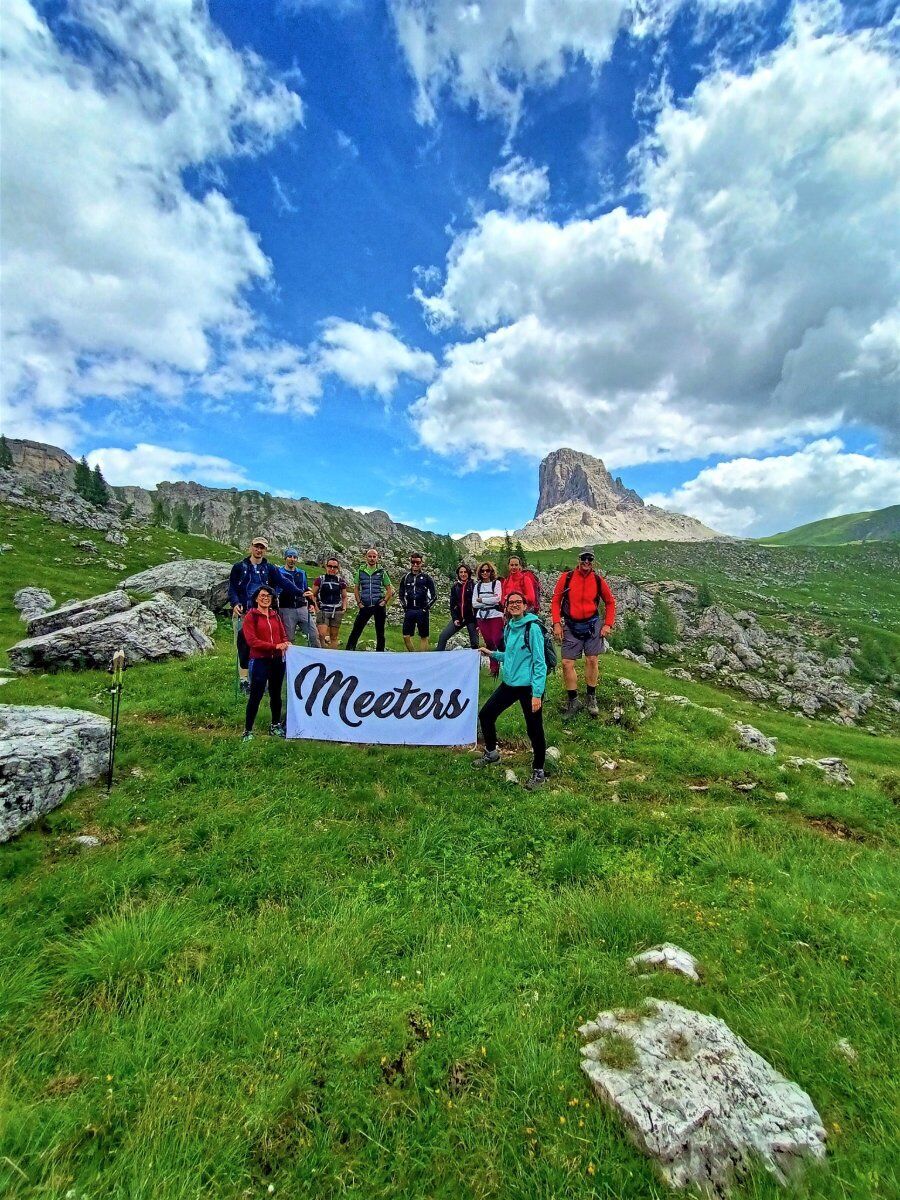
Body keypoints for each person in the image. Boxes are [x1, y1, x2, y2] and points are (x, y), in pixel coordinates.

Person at [475, 591, 547, 790]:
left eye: (518, 602)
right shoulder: (509, 627)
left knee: (534, 729)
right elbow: (511, 655)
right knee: (486, 714)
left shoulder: (532, 628)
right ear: (506, 607)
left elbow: (540, 663)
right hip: (510, 684)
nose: (514, 605)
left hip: (528, 687)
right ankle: (492, 753)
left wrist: (537, 694)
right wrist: (492, 654)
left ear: (525, 606)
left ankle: (539, 771)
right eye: (511, 602)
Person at [551, 546, 617, 718]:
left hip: (593, 624)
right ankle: (573, 700)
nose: (586, 562)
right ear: (578, 560)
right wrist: (557, 623)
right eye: (583, 558)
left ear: (593, 561)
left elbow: (610, 602)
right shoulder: (567, 578)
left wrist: (608, 624)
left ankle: (591, 697)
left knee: (592, 660)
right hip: (571, 625)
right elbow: (556, 600)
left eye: (590, 559)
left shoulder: (598, 580)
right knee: (566, 663)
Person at [228, 537, 280, 694]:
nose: (259, 550)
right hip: (244, 613)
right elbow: (232, 588)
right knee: (243, 647)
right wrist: (235, 603)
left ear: (265, 550)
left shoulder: (270, 568)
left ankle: (259, 680)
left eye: (262, 548)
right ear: (251, 547)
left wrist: (273, 600)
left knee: (262, 646)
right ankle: (244, 681)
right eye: (256, 547)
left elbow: (277, 586)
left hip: (262, 614)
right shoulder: (239, 567)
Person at [240, 583, 290, 741]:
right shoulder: (251, 616)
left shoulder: (275, 615)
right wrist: (275, 646)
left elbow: (283, 635)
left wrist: (285, 644)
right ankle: (248, 730)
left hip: (277, 661)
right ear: (256, 598)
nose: (265, 599)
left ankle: (275, 725)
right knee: (256, 695)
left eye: (268, 596)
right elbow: (252, 641)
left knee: (276, 695)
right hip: (260, 660)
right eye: (262, 596)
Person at [346, 548, 394, 651]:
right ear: (366, 557)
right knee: (356, 630)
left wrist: (384, 601)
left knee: (380, 632)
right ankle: (349, 651)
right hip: (365, 605)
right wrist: (359, 603)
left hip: (379, 605)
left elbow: (389, 589)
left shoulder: (382, 572)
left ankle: (379, 654)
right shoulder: (361, 571)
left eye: (374, 556)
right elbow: (356, 588)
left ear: (377, 558)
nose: (372, 558)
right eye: (370, 556)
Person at [277, 547, 320, 648]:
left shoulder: (301, 573)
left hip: (302, 607)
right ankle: (289, 662)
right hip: (286, 609)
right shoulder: (279, 572)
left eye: (295, 557)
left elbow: (305, 589)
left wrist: (311, 603)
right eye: (290, 556)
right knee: (289, 639)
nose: (292, 559)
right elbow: (275, 590)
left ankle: (317, 658)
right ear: (285, 558)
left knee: (314, 635)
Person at [398, 552, 438, 651]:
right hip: (410, 609)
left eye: (418, 562)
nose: (415, 565)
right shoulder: (406, 577)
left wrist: (426, 608)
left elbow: (434, 596)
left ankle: (422, 659)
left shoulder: (426, 577)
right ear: (410, 562)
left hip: (422, 609)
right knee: (406, 636)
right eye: (413, 562)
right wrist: (405, 607)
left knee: (423, 636)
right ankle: (413, 655)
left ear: (421, 563)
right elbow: (401, 594)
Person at [436, 563, 479, 652]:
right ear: (458, 574)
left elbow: (477, 605)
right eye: (461, 572)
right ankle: (437, 659)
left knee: (475, 643)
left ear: (469, 573)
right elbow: (452, 605)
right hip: (459, 617)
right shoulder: (455, 587)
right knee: (443, 636)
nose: (463, 574)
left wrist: (477, 621)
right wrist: (455, 618)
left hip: (471, 618)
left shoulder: (474, 586)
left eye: (465, 572)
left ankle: (475, 664)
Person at [473, 560, 504, 676]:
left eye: (487, 570)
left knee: (497, 640)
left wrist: (482, 600)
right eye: (482, 571)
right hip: (481, 617)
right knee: (489, 642)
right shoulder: (477, 586)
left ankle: (503, 664)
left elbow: (497, 599)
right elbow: (474, 604)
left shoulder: (496, 584)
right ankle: (494, 669)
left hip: (495, 616)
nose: (485, 573)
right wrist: (489, 601)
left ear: (491, 572)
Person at [312, 556, 349, 648]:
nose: (332, 569)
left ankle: (332, 656)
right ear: (326, 566)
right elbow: (313, 595)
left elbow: (344, 596)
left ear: (338, 568)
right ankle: (322, 653)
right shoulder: (320, 580)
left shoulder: (341, 581)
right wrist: (316, 608)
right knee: (321, 634)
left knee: (334, 636)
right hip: (323, 610)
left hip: (337, 611)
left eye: (335, 567)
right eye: (330, 566)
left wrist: (343, 608)